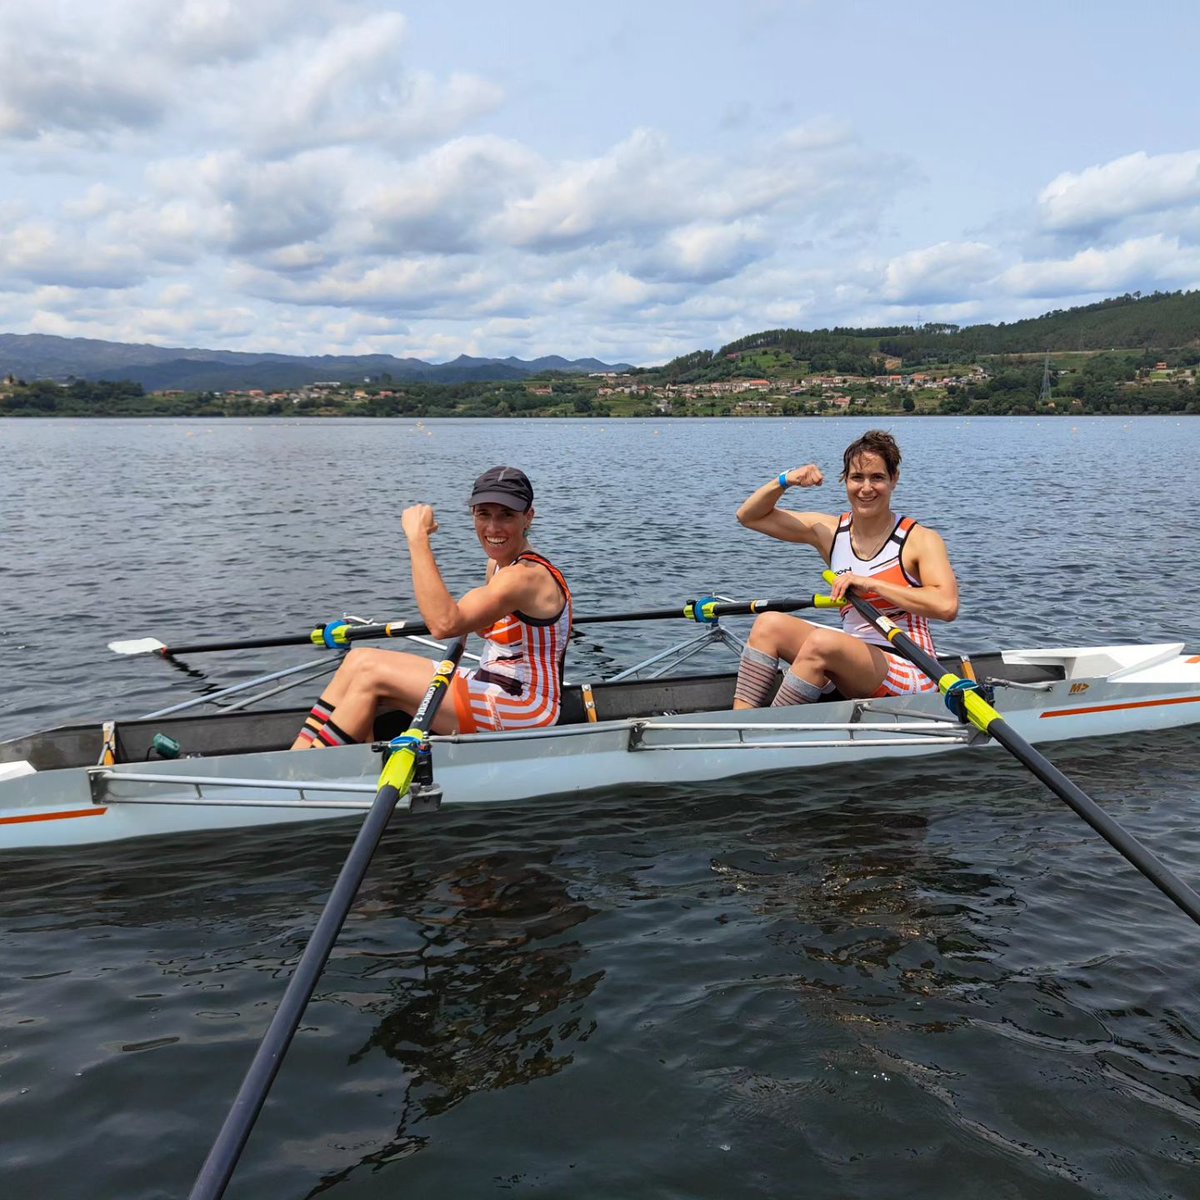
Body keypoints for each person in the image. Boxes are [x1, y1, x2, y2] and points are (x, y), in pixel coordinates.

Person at [292, 466, 571, 747]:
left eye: (506, 515)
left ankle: (310, 767)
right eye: (483, 514)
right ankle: (299, 756)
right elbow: (473, 622)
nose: (492, 528)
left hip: (527, 707)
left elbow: (444, 625)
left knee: (371, 674)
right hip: (492, 682)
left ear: (528, 517)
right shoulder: (497, 565)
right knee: (358, 660)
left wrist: (418, 539)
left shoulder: (525, 577)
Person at [732, 429, 958, 710]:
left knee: (822, 643)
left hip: (912, 665)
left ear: (894, 480)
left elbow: (946, 606)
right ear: (845, 480)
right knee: (768, 624)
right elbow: (749, 516)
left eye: (877, 478)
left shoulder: (919, 540)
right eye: (857, 478)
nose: (866, 488)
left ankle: (769, 730)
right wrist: (785, 480)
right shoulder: (831, 532)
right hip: (849, 658)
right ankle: (739, 723)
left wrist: (871, 584)